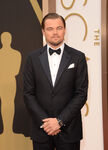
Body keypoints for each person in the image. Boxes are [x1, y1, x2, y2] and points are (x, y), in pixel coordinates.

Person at [23, 13, 88, 150]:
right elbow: (28, 94)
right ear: (43, 31)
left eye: (59, 28)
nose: (55, 33)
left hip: (69, 130)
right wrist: (47, 123)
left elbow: (81, 94)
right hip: (41, 129)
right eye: (50, 29)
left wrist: (59, 121)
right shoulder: (32, 58)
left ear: (64, 30)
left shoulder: (78, 57)